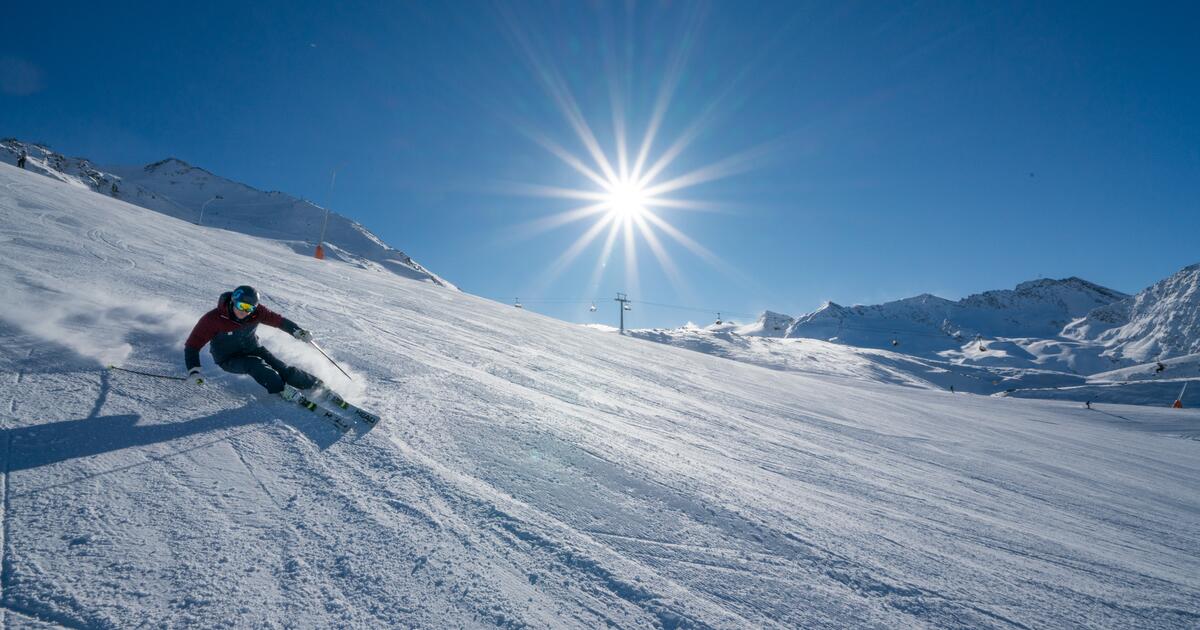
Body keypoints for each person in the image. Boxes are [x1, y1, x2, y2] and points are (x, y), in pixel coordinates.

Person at [184, 285, 319, 400]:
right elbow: (192, 345)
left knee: (281, 367)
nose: (244, 311)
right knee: (256, 365)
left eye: (249, 308)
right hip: (228, 359)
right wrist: (194, 370)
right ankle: (282, 389)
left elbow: (279, 321)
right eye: (241, 306)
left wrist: (298, 331)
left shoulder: (257, 313)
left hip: (254, 348)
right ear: (233, 301)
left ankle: (315, 384)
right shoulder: (213, 319)